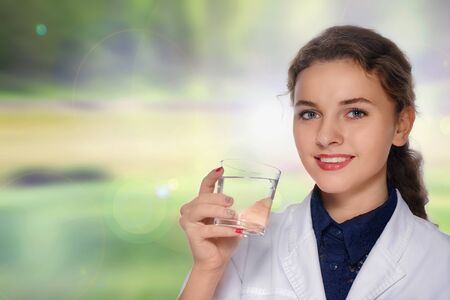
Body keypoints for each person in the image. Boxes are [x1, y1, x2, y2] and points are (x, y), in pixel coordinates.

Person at [178, 25, 450, 300]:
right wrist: (207, 269)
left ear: (401, 125)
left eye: (355, 112)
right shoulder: (239, 249)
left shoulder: (441, 263)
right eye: (309, 114)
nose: (325, 136)